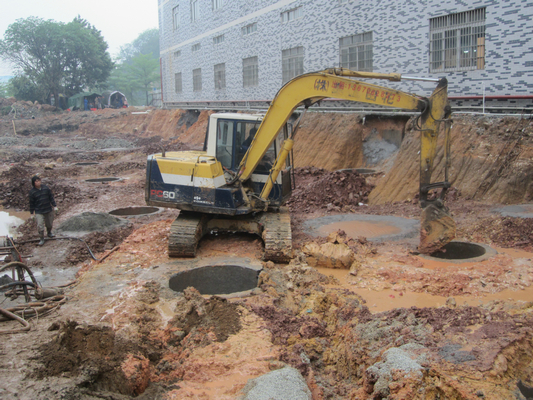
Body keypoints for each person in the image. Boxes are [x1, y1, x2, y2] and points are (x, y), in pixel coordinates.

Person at [29, 176, 58, 246]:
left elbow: (51, 197)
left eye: (38, 180)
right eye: (36, 181)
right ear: (33, 183)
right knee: (40, 225)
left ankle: (49, 233)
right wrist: (31, 213)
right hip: (39, 211)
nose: (38, 182)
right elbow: (31, 203)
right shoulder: (32, 192)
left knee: (49, 224)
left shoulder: (46, 188)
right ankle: (41, 238)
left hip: (48, 209)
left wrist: (55, 206)